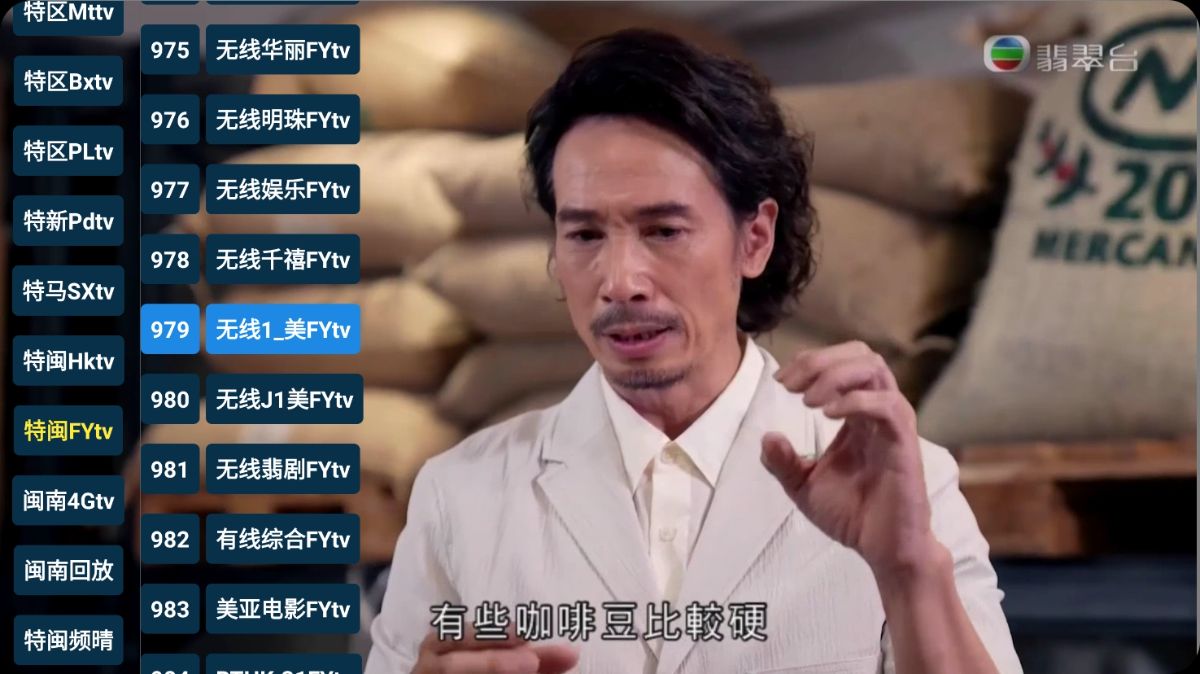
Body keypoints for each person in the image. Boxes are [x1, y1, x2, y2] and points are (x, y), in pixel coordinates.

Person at [365, 29, 1023, 674]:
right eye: (586, 235)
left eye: (664, 230)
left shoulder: (905, 485)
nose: (620, 281)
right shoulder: (464, 494)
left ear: (754, 239)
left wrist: (908, 571)